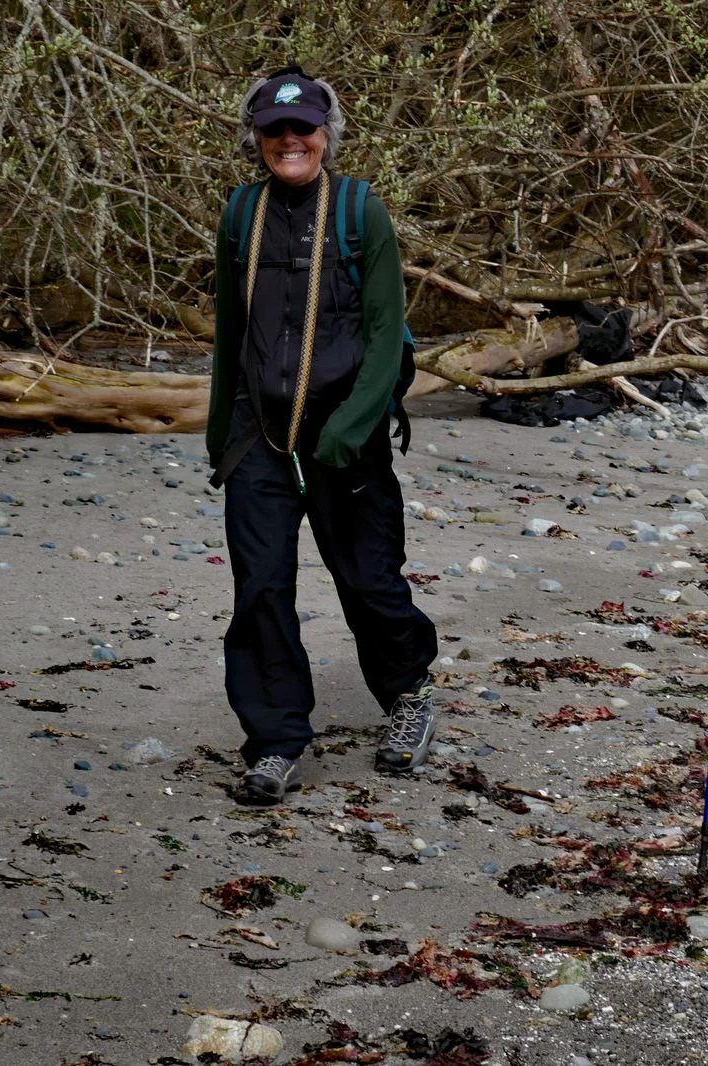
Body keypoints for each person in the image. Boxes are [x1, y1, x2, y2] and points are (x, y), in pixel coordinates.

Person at [206, 65, 439, 805]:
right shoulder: (241, 215)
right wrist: (221, 435)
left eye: (303, 127)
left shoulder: (361, 213)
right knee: (261, 592)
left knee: (369, 584)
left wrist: (351, 427)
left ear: (325, 134)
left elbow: (385, 337)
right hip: (260, 442)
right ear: (258, 139)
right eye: (275, 130)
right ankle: (275, 741)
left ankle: (407, 697)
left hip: (348, 439)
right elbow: (229, 337)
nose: (290, 140)